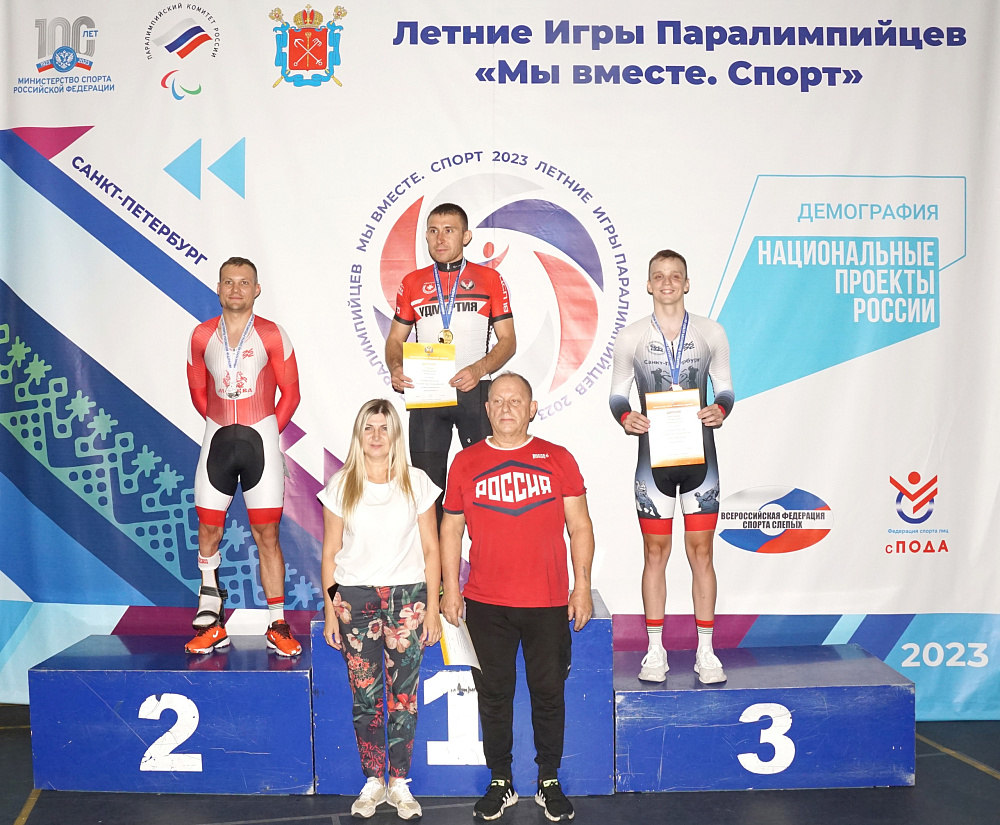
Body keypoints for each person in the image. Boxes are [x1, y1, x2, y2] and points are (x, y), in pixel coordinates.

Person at [440, 372, 594, 822]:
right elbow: (450, 528)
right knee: (493, 696)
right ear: (486, 409)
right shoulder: (465, 462)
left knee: (548, 694)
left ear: (532, 409)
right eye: (498, 400)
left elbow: (580, 526)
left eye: (516, 400)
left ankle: (548, 779)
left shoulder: (558, 458)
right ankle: (500, 780)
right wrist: (450, 589)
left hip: (547, 602)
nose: (506, 407)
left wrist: (581, 586)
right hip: (486, 603)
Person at [609, 250, 734, 685]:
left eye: (675, 276)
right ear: (648, 284)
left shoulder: (711, 332)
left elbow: (726, 387)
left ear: (686, 283)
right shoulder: (631, 337)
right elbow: (617, 394)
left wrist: (721, 408)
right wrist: (626, 417)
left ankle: (706, 650)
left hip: (701, 459)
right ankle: (654, 649)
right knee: (654, 553)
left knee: (702, 553)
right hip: (654, 461)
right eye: (659, 276)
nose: (667, 283)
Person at [318, 399, 442, 820]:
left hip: (408, 600)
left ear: (395, 435)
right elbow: (330, 553)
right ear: (359, 435)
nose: (376, 436)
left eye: (384, 428)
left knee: (403, 697)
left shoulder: (416, 482)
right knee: (365, 696)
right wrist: (331, 610)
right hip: (354, 601)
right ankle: (373, 780)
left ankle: (399, 782)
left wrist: (433, 608)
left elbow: (431, 549)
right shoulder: (341, 485)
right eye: (368, 428)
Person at [184, 257, 302, 656]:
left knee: (267, 535)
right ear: (218, 289)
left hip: (260, 443)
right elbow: (198, 392)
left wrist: (264, 431)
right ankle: (210, 619)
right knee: (208, 530)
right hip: (217, 440)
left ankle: (277, 624)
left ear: (257, 289)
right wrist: (224, 428)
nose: (236, 289)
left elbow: (292, 394)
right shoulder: (201, 335)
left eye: (244, 282)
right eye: (229, 282)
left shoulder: (272, 334)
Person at [385, 202, 516, 520]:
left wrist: (479, 369)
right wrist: (396, 367)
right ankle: (434, 556)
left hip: (475, 390)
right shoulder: (412, 282)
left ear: (466, 236)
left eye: (449, 230)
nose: (440, 238)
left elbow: (508, 341)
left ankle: (487, 552)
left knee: (486, 485)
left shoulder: (489, 279)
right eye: (433, 231)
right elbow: (395, 340)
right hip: (428, 393)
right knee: (427, 493)